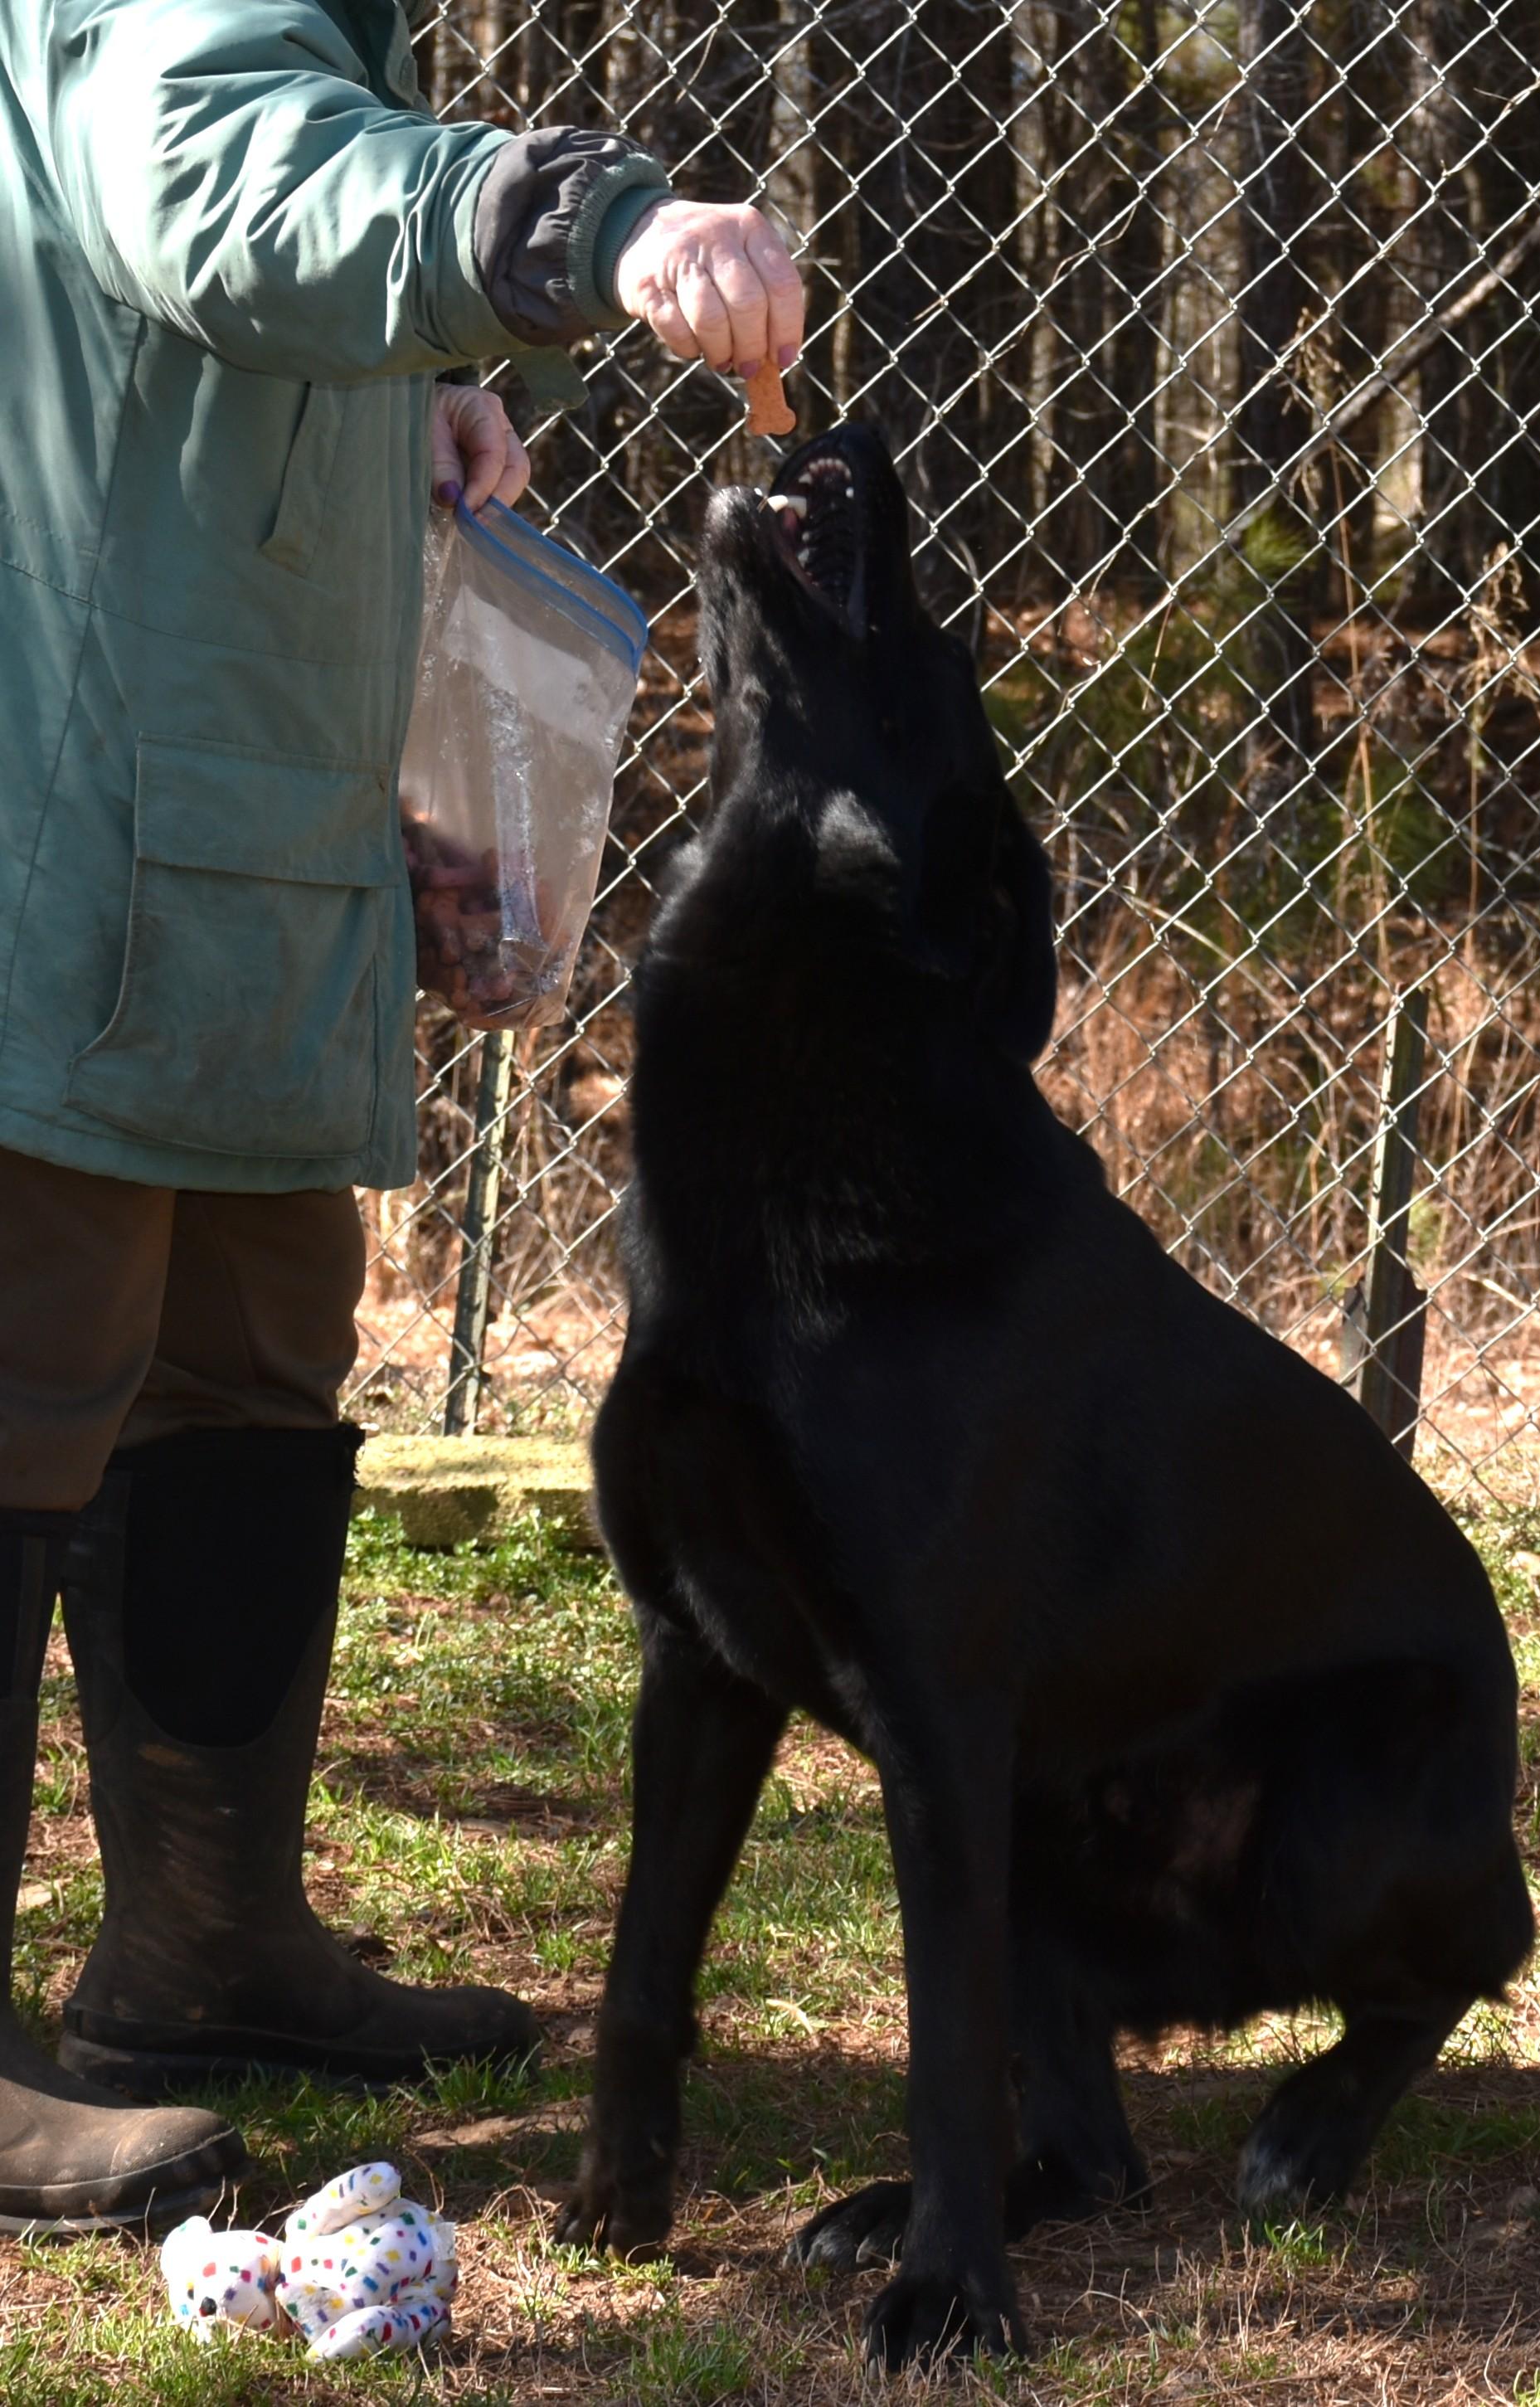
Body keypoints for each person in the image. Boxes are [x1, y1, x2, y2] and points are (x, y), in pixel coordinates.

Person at [0, 0, 804, 2233]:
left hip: (230, 807)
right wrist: (575, 221)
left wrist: (401, 395)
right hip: (67, 813)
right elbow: (209, 172)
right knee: (26, 1368)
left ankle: (204, 1953)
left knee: (250, 1349)